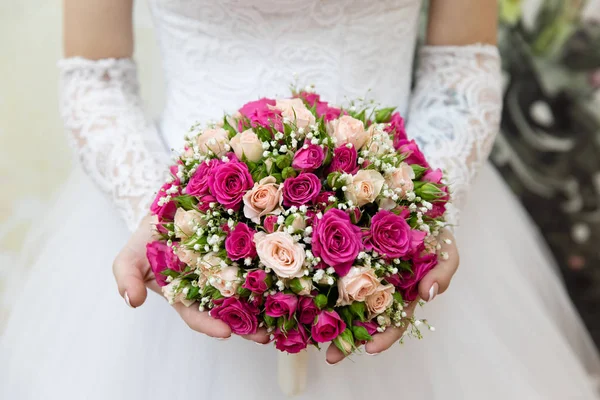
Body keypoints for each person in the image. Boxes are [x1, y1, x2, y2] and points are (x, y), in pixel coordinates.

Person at [2, 0, 599, 398]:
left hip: (394, 222)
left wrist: (419, 212)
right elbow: (95, 76)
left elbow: (462, 66)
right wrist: (164, 217)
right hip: (179, 221)